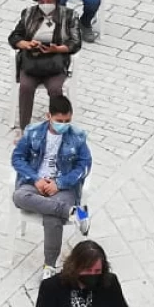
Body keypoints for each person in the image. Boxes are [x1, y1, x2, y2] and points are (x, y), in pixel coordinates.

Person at [12, 94, 93, 274]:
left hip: (63, 187)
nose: (64, 124)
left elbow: (84, 165)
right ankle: (74, 213)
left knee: (51, 218)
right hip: (35, 183)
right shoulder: (33, 132)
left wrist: (60, 183)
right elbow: (17, 158)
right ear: (49, 116)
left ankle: (49, 265)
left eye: (67, 120)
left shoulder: (77, 137)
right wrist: (36, 179)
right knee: (19, 196)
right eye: (59, 120)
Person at [9, 0, 82, 130]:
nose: (45, 5)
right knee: (26, 87)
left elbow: (75, 43)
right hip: (31, 62)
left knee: (55, 89)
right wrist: (26, 44)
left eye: (49, 1)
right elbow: (14, 37)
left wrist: (57, 48)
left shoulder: (68, 16)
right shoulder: (29, 14)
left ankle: (55, 126)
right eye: (41, 2)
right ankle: (25, 128)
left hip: (55, 63)